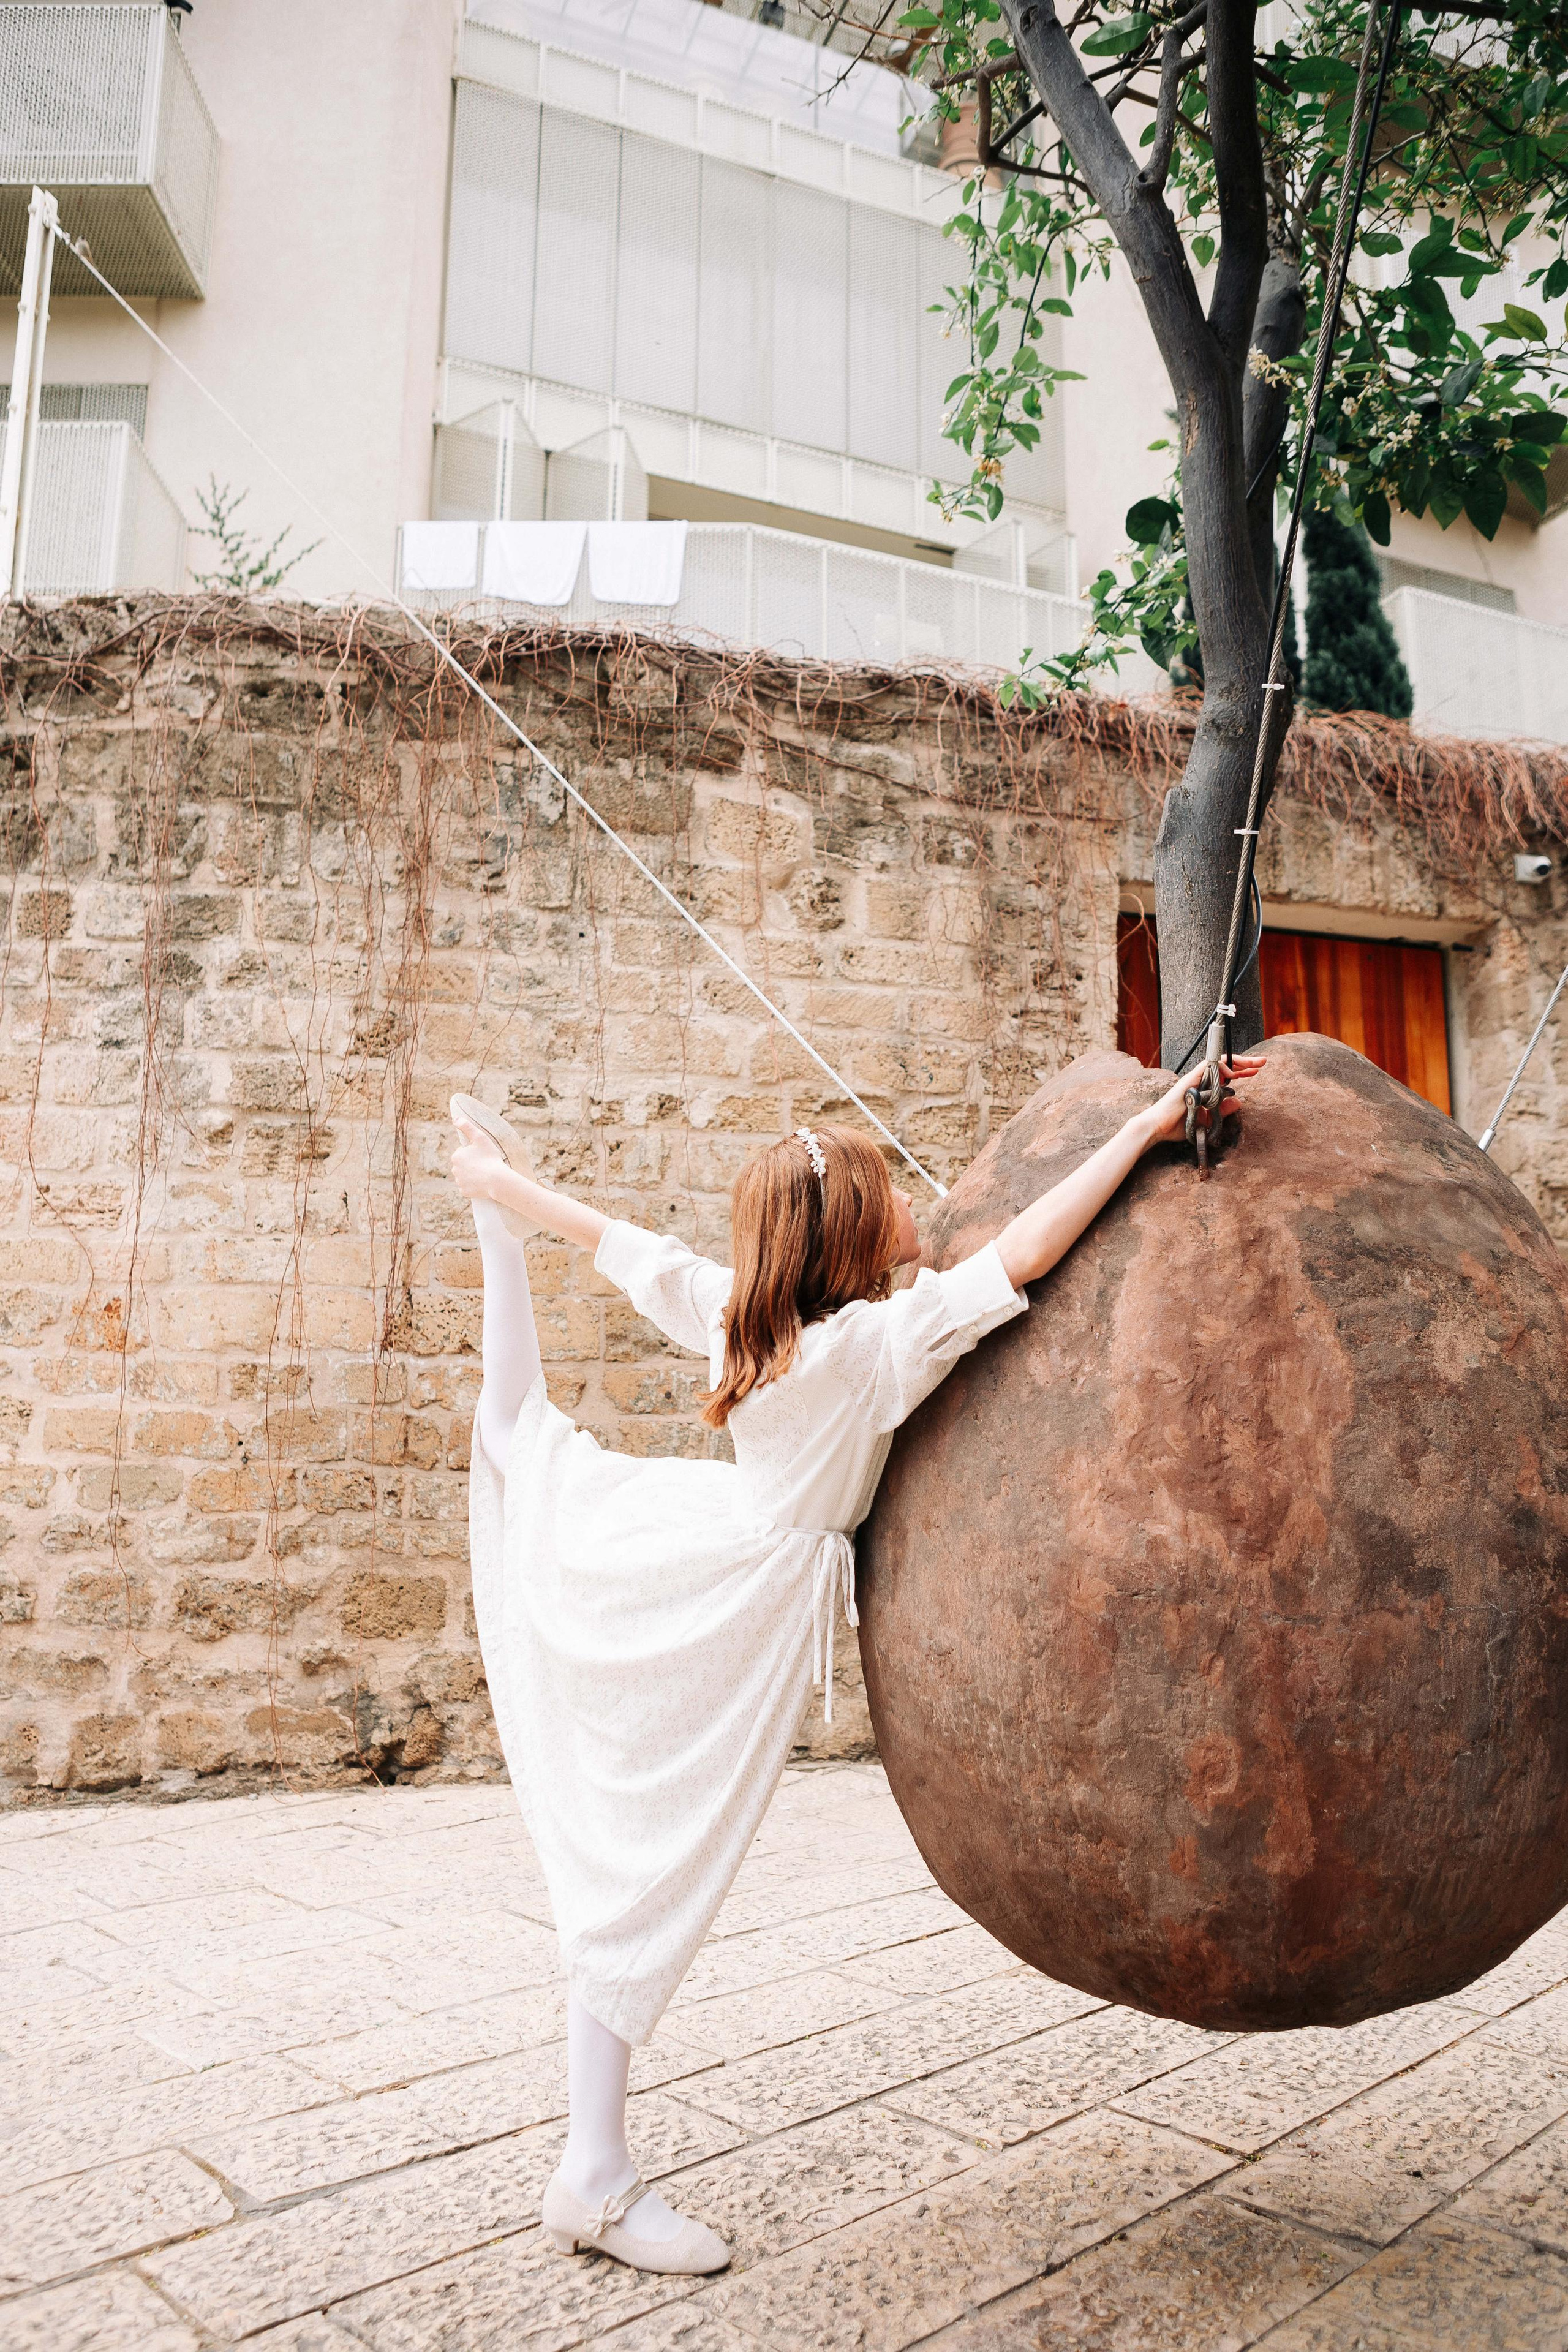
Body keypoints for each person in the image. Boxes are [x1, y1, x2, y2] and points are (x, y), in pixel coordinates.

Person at [450, 1055, 1262, 2276]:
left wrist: (508, 1194)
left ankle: (485, 1236)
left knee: (518, 1436)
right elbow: (1030, 1253)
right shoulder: (879, 1346)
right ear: (848, 1241)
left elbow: (614, 1240)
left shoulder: (743, 1311)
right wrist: (1144, 1129)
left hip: (693, 1544)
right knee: (652, 1867)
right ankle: (594, 2176)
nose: (904, 1215)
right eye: (883, 1200)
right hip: (734, 1605)